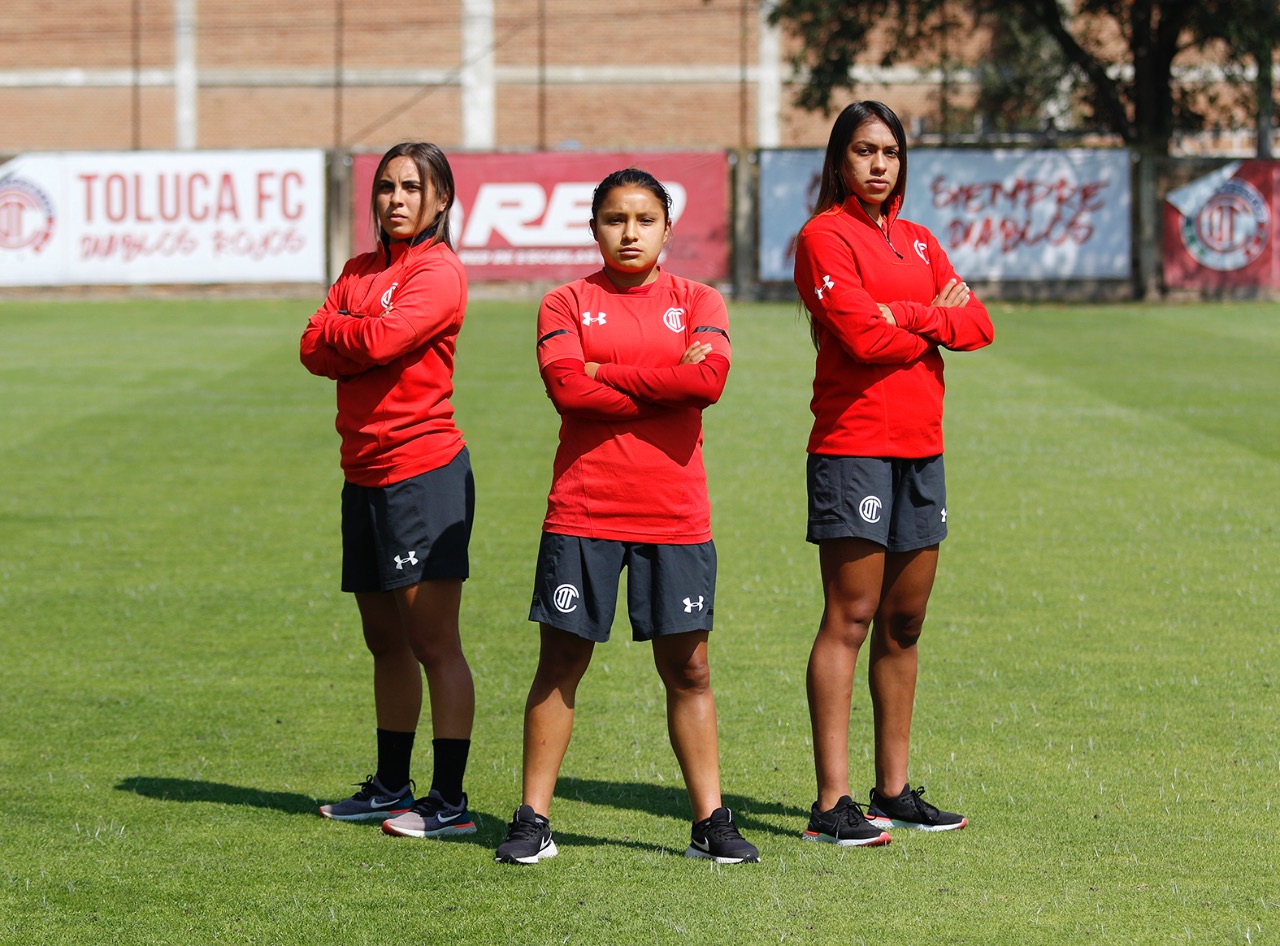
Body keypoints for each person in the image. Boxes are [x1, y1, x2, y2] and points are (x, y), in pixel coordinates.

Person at [494, 168, 759, 866]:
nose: (630, 232)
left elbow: (710, 381)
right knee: (560, 661)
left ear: (668, 229)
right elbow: (567, 390)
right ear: (594, 229)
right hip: (583, 508)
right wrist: (667, 383)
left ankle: (710, 821)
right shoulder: (564, 301)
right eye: (616, 219)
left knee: (690, 668)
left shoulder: (700, 298)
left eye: (645, 219)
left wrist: (606, 371)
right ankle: (533, 818)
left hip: (674, 514)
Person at [792, 101, 994, 846]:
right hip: (852, 448)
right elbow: (861, 339)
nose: (879, 164)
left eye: (890, 152)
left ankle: (894, 791)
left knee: (904, 623)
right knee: (849, 618)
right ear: (839, 160)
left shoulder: (918, 239)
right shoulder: (822, 237)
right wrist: (929, 317)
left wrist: (904, 314)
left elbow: (979, 325)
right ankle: (830, 804)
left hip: (921, 449)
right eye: (864, 151)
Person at [300, 141, 478, 840]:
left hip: (423, 476)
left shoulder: (440, 273)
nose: (396, 199)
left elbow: (372, 344)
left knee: (434, 642)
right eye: (386, 187)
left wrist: (350, 334)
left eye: (412, 187)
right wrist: (353, 333)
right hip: (363, 474)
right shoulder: (356, 270)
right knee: (384, 641)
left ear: (440, 200)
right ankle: (390, 784)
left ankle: (451, 799)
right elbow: (312, 346)